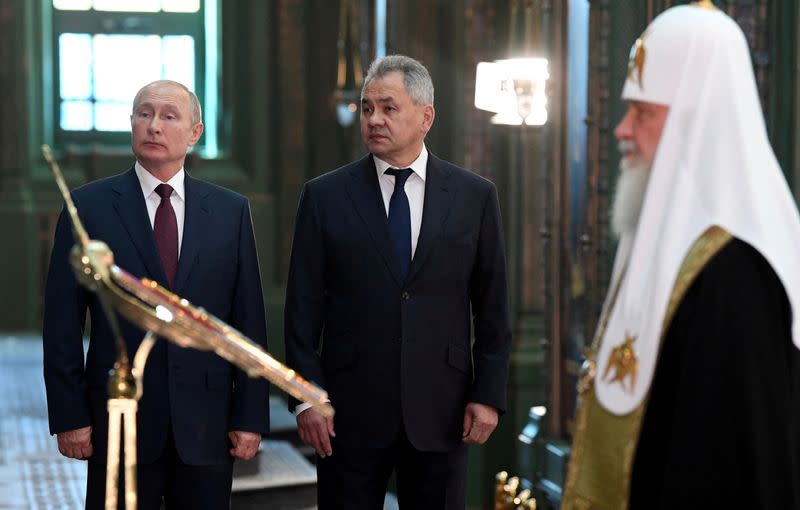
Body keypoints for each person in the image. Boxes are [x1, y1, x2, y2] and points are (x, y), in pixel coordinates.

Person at [562, 4, 800, 509]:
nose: (622, 130)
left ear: (699, 120)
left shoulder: (739, 276)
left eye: (643, 112)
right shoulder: (659, 246)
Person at [284, 54, 512, 509]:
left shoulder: (474, 197)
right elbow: (302, 309)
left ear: (426, 116)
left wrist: (487, 396)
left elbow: (492, 307)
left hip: (442, 410)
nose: (374, 120)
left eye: (389, 108)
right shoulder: (324, 196)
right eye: (367, 109)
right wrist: (306, 398)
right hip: (347, 413)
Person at [42, 79, 270, 509]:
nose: (154, 126)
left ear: (195, 132)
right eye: (144, 114)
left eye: (169, 116)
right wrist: (70, 417)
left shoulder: (230, 212)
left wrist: (250, 416)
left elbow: (248, 322)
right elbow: (62, 325)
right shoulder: (88, 207)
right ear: (131, 124)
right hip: (119, 419)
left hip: (207, 421)